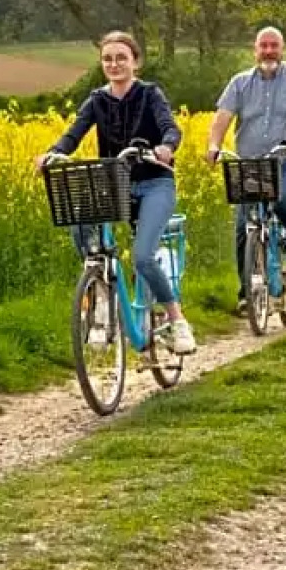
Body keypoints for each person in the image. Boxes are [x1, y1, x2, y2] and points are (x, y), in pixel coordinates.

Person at [35, 30, 198, 356]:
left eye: (121, 57)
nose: (114, 64)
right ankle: (102, 300)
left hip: (155, 183)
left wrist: (166, 147)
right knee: (82, 226)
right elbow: (73, 134)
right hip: (115, 185)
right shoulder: (97, 100)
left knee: (142, 256)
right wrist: (53, 154)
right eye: (107, 58)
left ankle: (177, 320)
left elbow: (170, 126)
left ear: (135, 61)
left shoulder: (150, 94)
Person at [204, 26, 286, 314]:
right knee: (245, 226)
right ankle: (246, 294)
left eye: (274, 46)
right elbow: (222, 118)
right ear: (254, 49)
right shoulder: (240, 83)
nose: (268, 51)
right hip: (251, 164)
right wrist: (213, 145)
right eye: (263, 46)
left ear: (283, 49)